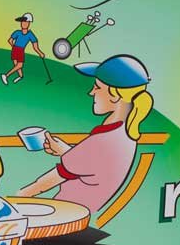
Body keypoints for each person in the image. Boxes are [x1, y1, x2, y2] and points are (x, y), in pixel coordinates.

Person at [18, 54, 153, 215]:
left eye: (97, 87)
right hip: (81, 215)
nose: (91, 92)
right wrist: (65, 151)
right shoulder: (125, 134)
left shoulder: (102, 142)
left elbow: (47, 182)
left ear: (115, 95)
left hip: (66, 217)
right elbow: (93, 166)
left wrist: (18, 197)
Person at [1, 12, 45, 84]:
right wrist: (14, 47)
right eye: (22, 22)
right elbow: (10, 40)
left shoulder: (30, 34)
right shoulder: (17, 32)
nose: (23, 23)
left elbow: (35, 46)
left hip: (20, 50)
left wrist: (40, 53)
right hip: (16, 49)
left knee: (17, 66)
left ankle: (20, 77)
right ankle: (6, 75)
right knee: (19, 65)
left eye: (25, 22)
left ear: (29, 23)